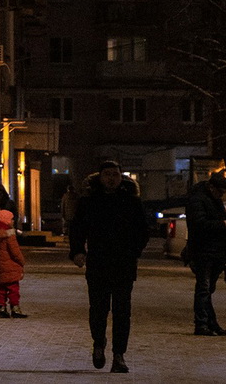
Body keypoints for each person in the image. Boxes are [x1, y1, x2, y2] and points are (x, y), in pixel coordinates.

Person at [69, 160, 149, 374]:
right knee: (98, 310)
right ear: (100, 177)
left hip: (124, 265)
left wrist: (134, 251)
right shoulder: (89, 202)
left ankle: (119, 355)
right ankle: (98, 343)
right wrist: (77, 251)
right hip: (98, 264)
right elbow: (77, 228)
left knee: (122, 312)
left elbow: (143, 230)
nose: (111, 178)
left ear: (121, 177)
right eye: (107, 174)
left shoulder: (131, 202)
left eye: (115, 174)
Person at [186, 171, 226, 337]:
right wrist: (222, 225)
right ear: (211, 187)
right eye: (219, 191)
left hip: (215, 251)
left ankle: (210, 323)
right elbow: (199, 224)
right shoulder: (197, 200)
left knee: (207, 290)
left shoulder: (214, 200)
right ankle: (202, 324)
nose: (221, 195)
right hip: (203, 251)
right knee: (204, 289)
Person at [0, 209, 26, 318]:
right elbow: (15, 251)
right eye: (12, 219)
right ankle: (15, 308)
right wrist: (22, 261)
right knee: (13, 289)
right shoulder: (9, 235)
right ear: (6, 220)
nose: (13, 221)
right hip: (11, 265)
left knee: (1, 288)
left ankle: (1, 307)